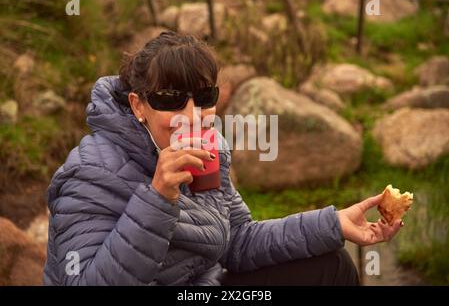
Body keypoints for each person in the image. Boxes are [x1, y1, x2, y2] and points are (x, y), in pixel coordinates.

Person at [43, 31, 402, 286]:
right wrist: (157, 198)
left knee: (331, 265)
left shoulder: (208, 150)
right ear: (138, 105)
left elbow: (238, 241)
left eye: (203, 96)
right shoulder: (88, 175)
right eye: (169, 98)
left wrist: (334, 224)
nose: (192, 114)